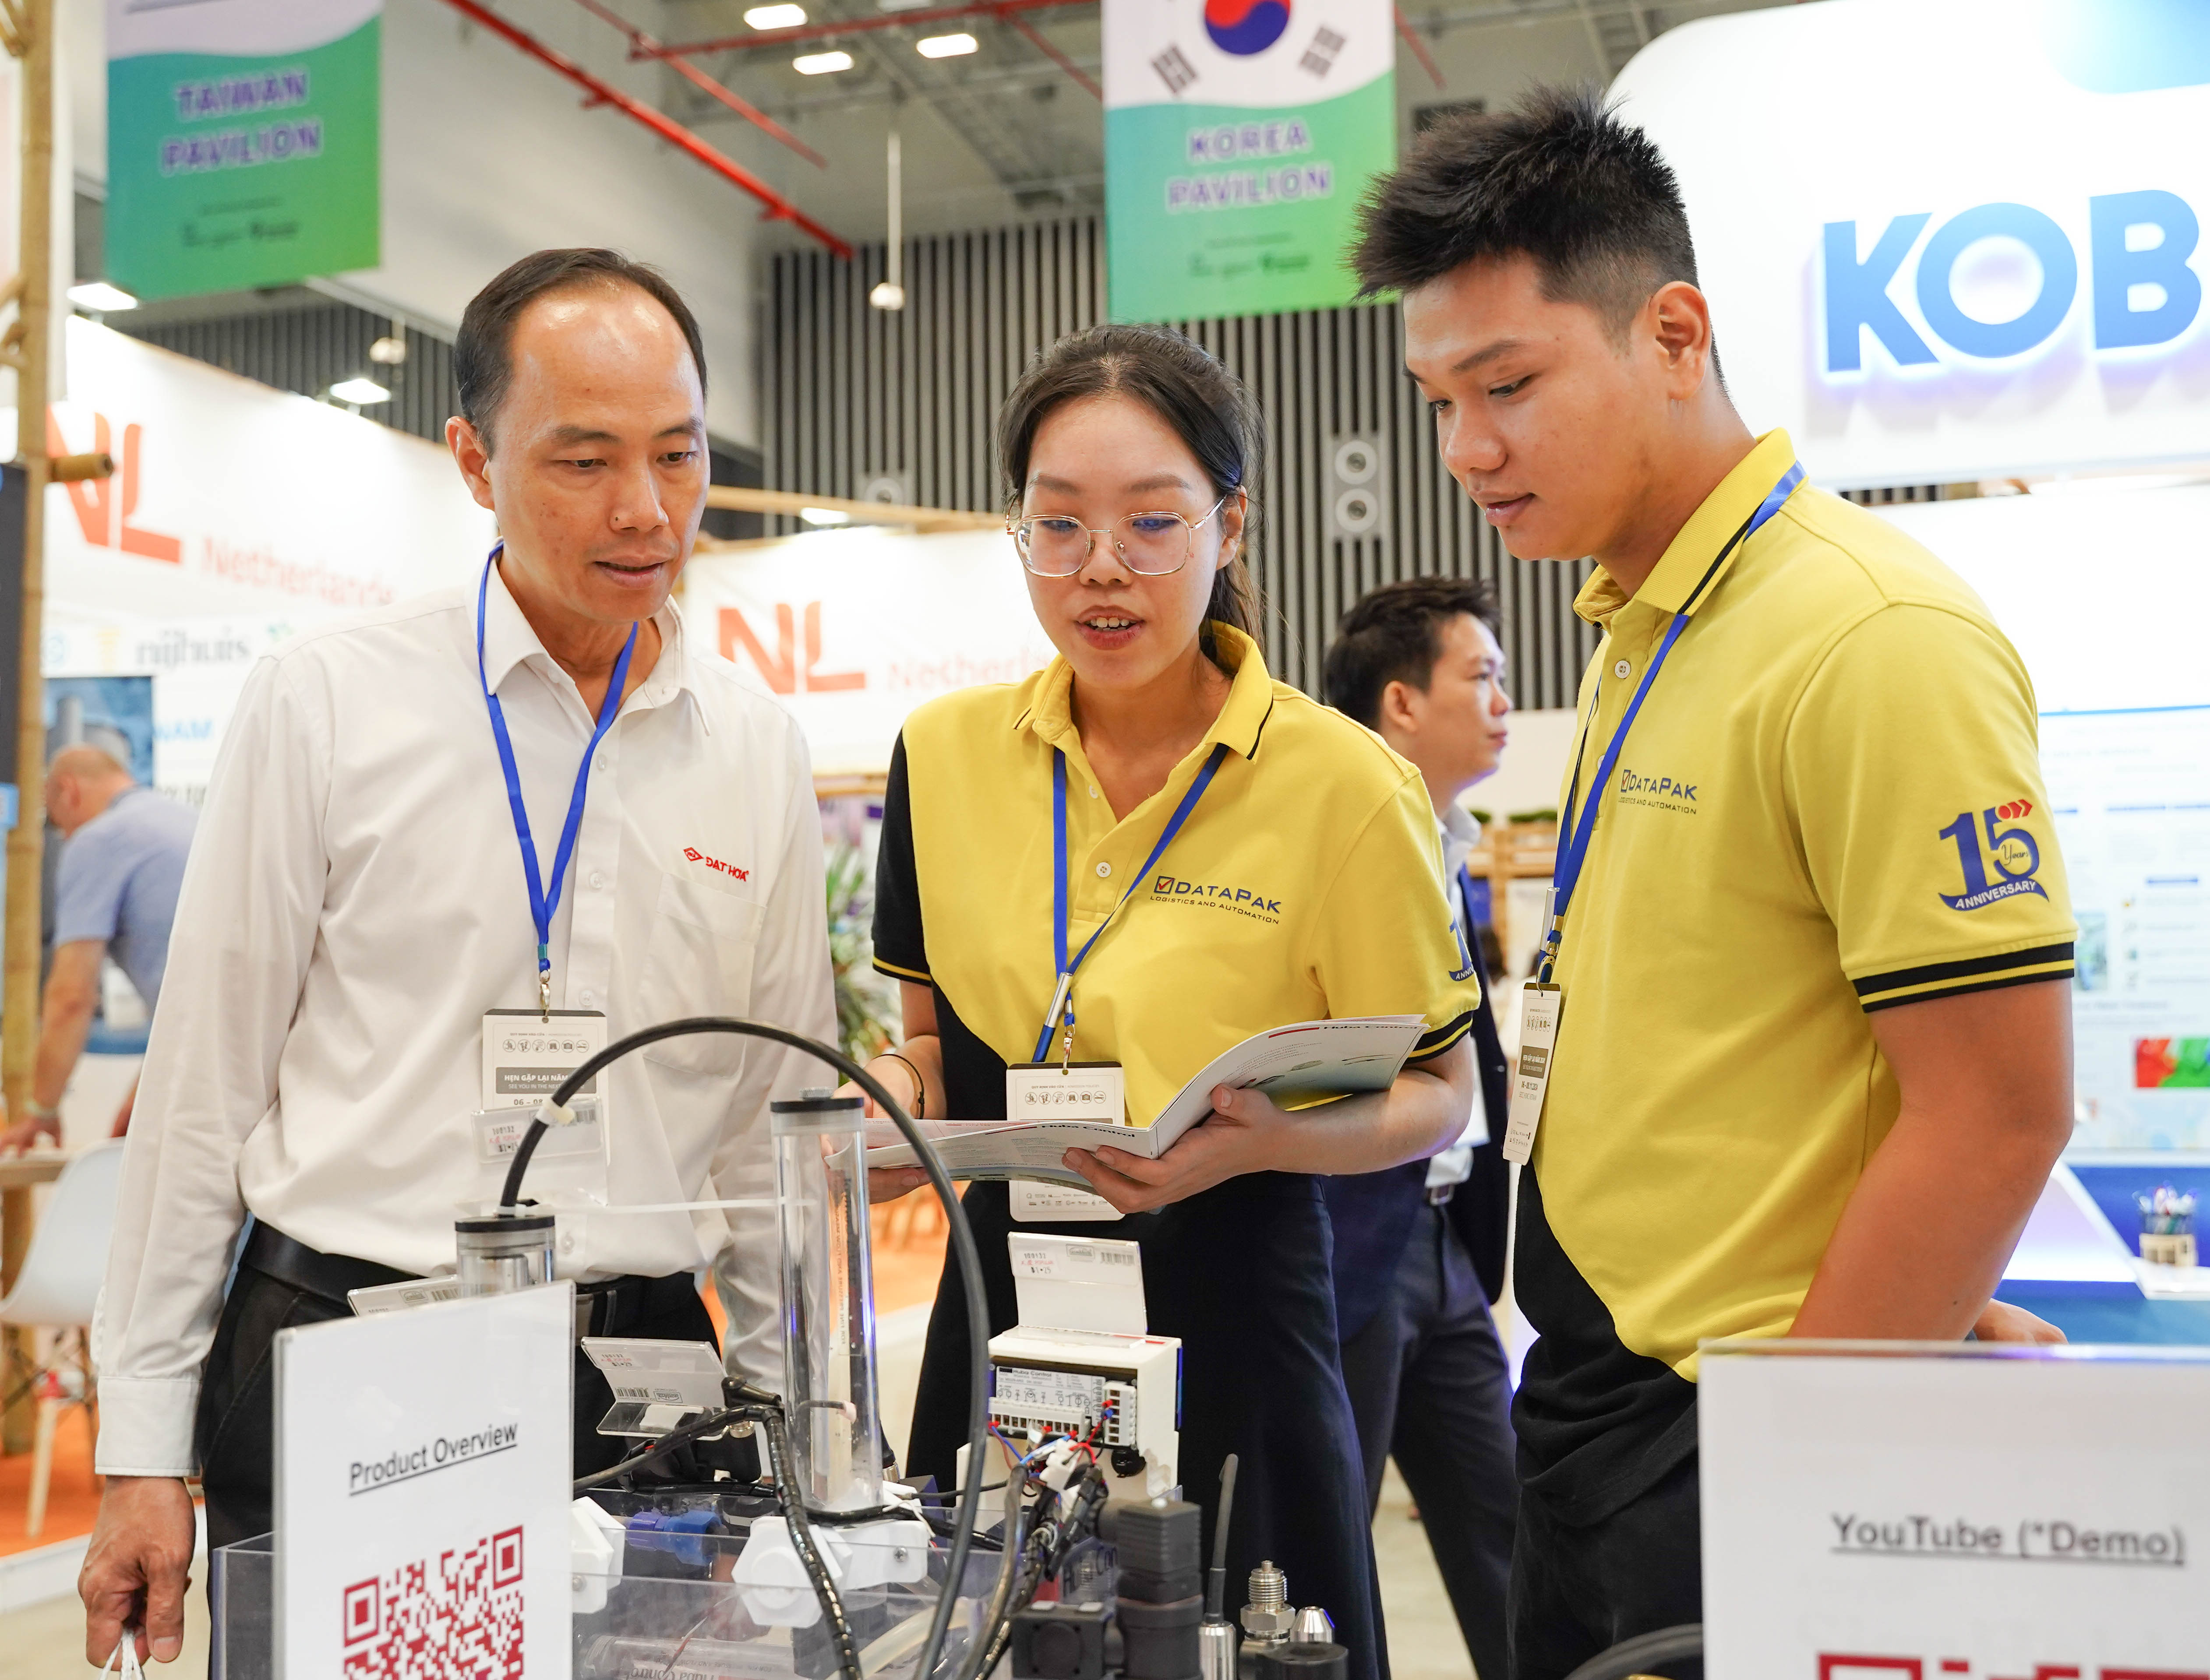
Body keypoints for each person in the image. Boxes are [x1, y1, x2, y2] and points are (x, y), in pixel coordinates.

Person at [1353, 89, 2076, 1678]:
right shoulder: (1645, 625)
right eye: (1438, 399)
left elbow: (1995, 1109)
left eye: (1507, 384)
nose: (1466, 449)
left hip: (1730, 1427)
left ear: (1671, 334)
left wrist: (1807, 1451)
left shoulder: (1868, 635)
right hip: (1592, 1394)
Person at [78, 249, 837, 1669]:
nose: (644, 507)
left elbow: (768, 1124)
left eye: (677, 454)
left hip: (641, 1380)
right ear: (473, 459)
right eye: (584, 459)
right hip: (357, 1340)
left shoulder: (750, 744)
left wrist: (799, 1421)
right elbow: (201, 1088)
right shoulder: (328, 701)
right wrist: (140, 1448)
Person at [857, 324, 1484, 1680]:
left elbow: (1440, 1094)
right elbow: (931, 1045)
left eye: (1151, 521)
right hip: (1004, 1302)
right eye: (1058, 523)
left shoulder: (1341, 782)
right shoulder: (943, 755)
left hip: (1238, 1306)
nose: (1102, 566)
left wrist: (1264, 1138)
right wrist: (889, 1103)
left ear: (1228, 524)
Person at [1320, 576, 1518, 1680]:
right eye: (1480, 677)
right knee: (1329, 1551)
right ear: (1400, 702)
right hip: (1350, 1234)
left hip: (1446, 1236)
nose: (1502, 701)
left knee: (1511, 1532)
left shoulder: (1448, 839)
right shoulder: (1328, 835)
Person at [0, 746, 195, 1150]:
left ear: (69, 791)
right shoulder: (188, 820)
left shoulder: (99, 840)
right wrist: (147, 1085)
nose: (66, 837)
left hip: (209, 1047)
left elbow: (72, 996)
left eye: (60, 825)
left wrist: (41, 1108)